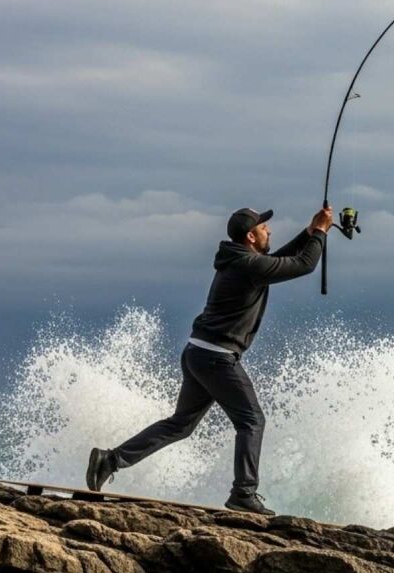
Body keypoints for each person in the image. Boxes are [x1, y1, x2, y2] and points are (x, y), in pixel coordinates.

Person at [86, 205, 333, 514]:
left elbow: (278, 261)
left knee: (180, 425)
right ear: (250, 236)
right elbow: (301, 265)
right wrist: (321, 232)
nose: (269, 230)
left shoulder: (241, 261)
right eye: (263, 228)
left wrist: (309, 233)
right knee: (252, 421)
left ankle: (109, 460)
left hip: (198, 352)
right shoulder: (248, 265)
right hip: (216, 358)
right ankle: (243, 493)